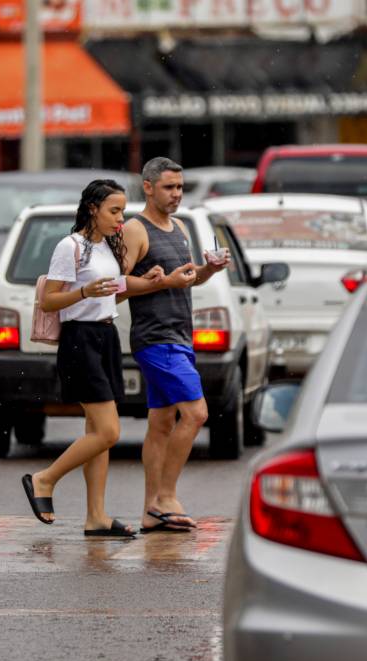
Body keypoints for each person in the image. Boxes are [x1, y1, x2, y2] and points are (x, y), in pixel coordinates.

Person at [21, 179, 196, 536]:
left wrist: (154, 281)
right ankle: (45, 479)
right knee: (108, 432)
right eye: (114, 211)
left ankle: (96, 517)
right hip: (79, 339)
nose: (121, 219)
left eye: (123, 211)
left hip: (106, 336)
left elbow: (112, 294)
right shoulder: (71, 246)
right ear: (92, 209)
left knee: (95, 431)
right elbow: (49, 301)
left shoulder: (108, 248)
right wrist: (84, 290)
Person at [122, 157, 231, 533]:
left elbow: (184, 280)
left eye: (180, 187)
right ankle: (165, 497)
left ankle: (150, 512)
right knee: (197, 413)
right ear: (148, 187)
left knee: (162, 422)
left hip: (179, 334)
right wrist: (160, 283)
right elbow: (116, 286)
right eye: (169, 187)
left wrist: (206, 271)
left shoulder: (180, 227)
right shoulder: (134, 230)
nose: (176, 194)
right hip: (155, 338)